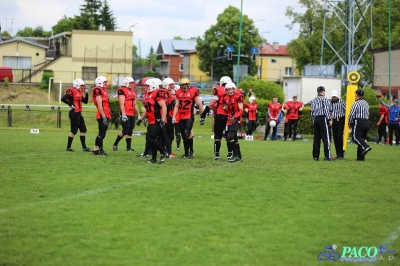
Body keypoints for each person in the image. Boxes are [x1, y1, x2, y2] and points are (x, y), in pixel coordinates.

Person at [200, 76, 231, 160]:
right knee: (230, 137)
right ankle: (230, 155)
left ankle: (216, 155)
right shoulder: (234, 91)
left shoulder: (219, 90)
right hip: (230, 116)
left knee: (217, 136)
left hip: (220, 115)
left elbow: (211, 104)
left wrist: (203, 114)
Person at [138, 78, 169, 164]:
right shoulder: (148, 94)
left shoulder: (157, 94)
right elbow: (148, 110)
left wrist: (163, 120)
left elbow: (164, 107)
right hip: (151, 120)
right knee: (151, 139)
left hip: (157, 120)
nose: (146, 88)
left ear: (153, 85)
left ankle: (163, 152)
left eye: (147, 86)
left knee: (151, 139)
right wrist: (141, 119)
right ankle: (154, 159)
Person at [174, 77, 203, 158]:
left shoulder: (193, 91)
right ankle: (186, 153)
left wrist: (202, 116)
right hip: (181, 116)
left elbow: (200, 104)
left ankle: (191, 151)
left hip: (189, 116)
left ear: (189, 84)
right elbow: (176, 106)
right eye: (183, 85)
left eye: (186, 84)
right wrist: (174, 116)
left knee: (187, 133)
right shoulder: (178, 92)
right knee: (184, 135)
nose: (184, 86)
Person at [61, 78, 91, 152]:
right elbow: (63, 98)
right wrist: (70, 105)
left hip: (79, 113)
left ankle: (84, 147)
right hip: (74, 113)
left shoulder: (79, 92)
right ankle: (68, 147)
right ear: (77, 85)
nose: (82, 87)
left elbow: (86, 101)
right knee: (74, 130)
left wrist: (87, 94)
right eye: (81, 86)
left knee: (83, 130)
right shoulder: (72, 91)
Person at [112, 77, 141, 152]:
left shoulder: (133, 91)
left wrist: (139, 115)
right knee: (125, 130)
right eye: (131, 83)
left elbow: (135, 104)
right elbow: (121, 103)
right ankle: (115, 144)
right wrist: (123, 113)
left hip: (131, 113)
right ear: (126, 83)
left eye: (133, 83)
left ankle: (128, 148)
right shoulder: (122, 90)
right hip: (125, 112)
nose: (133, 84)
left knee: (130, 130)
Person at [220, 82, 244, 162]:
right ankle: (239, 155)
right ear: (225, 90)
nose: (230, 91)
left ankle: (235, 155)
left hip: (236, 119)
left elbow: (241, 110)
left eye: (231, 89)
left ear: (234, 89)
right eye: (228, 89)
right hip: (229, 119)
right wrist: (225, 108)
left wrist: (235, 117)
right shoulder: (224, 97)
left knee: (230, 137)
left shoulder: (239, 96)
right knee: (234, 138)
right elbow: (226, 110)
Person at [310, 86, 333, 161]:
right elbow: (326, 109)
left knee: (316, 138)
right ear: (323, 92)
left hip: (316, 118)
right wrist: (329, 119)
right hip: (323, 118)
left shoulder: (314, 100)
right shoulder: (324, 99)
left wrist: (313, 118)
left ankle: (315, 156)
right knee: (326, 138)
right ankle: (327, 156)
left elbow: (312, 111)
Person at [348, 89, 371, 161]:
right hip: (366, 121)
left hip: (359, 121)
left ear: (356, 95)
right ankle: (360, 157)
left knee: (355, 137)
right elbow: (368, 113)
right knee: (362, 138)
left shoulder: (356, 103)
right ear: (363, 95)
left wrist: (350, 122)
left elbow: (352, 114)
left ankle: (365, 146)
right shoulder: (366, 103)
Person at [92, 76, 111, 156]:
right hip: (101, 115)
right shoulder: (97, 90)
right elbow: (100, 105)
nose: (106, 84)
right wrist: (103, 116)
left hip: (106, 114)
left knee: (102, 133)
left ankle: (95, 149)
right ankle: (100, 150)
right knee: (101, 134)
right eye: (104, 82)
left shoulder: (103, 90)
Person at [330, 90, 346, 159]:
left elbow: (346, 109)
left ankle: (341, 153)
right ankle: (338, 153)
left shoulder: (342, 102)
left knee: (340, 136)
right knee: (335, 137)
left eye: (335, 97)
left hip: (341, 119)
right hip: (333, 120)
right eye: (333, 97)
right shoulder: (329, 102)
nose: (334, 98)